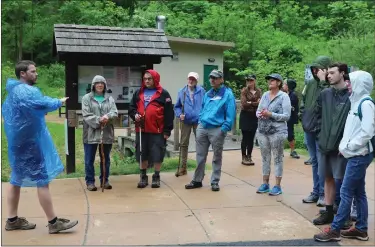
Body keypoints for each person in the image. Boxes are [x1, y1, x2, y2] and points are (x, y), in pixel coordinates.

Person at [2, 60, 78, 233]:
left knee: (16, 179)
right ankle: (53, 223)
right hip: (29, 143)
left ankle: (12, 220)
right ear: (23, 73)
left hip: (18, 143)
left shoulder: (12, 91)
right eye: (33, 71)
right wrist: (58, 101)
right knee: (42, 180)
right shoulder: (25, 91)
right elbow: (40, 104)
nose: (36, 74)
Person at [314, 70, 374, 242]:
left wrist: (348, 147)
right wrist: (346, 147)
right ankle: (361, 229)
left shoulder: (366, 104)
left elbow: (367, 132)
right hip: (353, 153)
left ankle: (335, 229)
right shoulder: (355, 102)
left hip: (359, 154)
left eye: (351, 81)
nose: (348, 84)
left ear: (359, 84)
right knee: (358, 192)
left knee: (346, 191)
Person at [312, 63, 352, 228]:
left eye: (332, 73)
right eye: (327, 73)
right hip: (324, 144)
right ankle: (328, 212)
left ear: (342, 73)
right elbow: (317, 114)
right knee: (327, 178)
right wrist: (320, 135)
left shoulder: (351, 95)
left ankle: (345, 216)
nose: (328, 76)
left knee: (343, 181)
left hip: (342, 147)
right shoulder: (325, 93)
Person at [185, 69, 236, 192]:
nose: (212, 80)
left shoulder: (227, 94)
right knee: (200, 156)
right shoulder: (208, 94)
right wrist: (200, 122)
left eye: (215, 77)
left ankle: (215, 181)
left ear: (221, 79)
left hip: (217, 129)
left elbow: (231, 114)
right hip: (203, 127)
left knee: (216, 156)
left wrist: (224, 129)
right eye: (211, 77)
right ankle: (197, 180)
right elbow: (202, 109)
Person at [129, 69, 174, 188]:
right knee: (141, 153)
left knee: (157, 154)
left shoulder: (164, 94)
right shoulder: (138, 92)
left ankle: (156, 177)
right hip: (142, 130)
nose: (147, 81)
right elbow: (131, 108)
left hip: (157, 130)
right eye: (145, 79)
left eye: (149, 79)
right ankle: (143, 177)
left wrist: (167, 130)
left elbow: (169, 113)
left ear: (155, 79)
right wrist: (135, 115)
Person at [300, 55, 332, 206]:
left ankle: (322, 194)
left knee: (322, 162)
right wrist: (302, 117)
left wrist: (324, 81)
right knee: (314, 161)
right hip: (309, 128)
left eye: (318, 68)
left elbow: (329, 101)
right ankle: (315, 191)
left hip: (321, 130)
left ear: (326, 69)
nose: (315, 71)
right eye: (313, 68)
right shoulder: (310, 83)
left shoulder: (329, 85)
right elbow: (303, 100)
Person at [255, 73, 291, 196]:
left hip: (277, 132)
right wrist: (259, 114)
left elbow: (287, 116)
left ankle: (277, 185)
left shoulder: (284, 96)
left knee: (277, 158)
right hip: (262, 131)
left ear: (279, 83)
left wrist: (270, 114)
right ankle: (265, 183)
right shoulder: (265, 95)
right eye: (269, 80)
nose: (270, 82)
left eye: (272, 80)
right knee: (265, 157)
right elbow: (258, 110)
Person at [82, 75, 118, 191]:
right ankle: (90, 182)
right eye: (97, 83)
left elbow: (115, 112)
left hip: (106, 133)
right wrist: (99, 120)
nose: (100, 85)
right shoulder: (86, 98)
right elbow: (86, 115)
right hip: (90, 134)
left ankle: (105, 180)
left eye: (102, 83)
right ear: (93, 85)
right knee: (89, 160)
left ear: (105, 85)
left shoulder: (110, 98)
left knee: (105, 158)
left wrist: (108, 116)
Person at [174, 72, 206, 176]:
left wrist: (203, 116)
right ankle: (183, 168)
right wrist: (179, 114)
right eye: (189, 79)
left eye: (193, 79)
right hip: (185, 120)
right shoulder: (182, 91)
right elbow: (177, 106)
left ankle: (200, 168)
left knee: (200, 143)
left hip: (198, 120)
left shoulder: (202, 91)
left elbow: (206, 104)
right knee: (183, 144)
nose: (191, 81)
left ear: (196, 81)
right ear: (187, 79)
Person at [239, 74, 262, 165]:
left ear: (254, 81)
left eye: (251, 80)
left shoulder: (259, 91)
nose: (249, 82)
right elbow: (244, 104)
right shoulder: (244, 91)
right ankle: (244, 157)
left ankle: (249, 156)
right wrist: (255, 103)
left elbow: (260, 104)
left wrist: (250, 103)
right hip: (245, 116)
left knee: (251, 137)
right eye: (248, 80)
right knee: (245, 137)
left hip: (254, 116)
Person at [282, 79, 300, 159]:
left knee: (290, 134)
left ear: (288, 86)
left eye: (285, 84)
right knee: (281, 134)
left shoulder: (293, 95)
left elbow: (291, 107)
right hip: (284, 118)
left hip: (290, 118)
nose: (283, 85)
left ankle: (293, 151)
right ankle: (280, 151)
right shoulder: (284, 94)